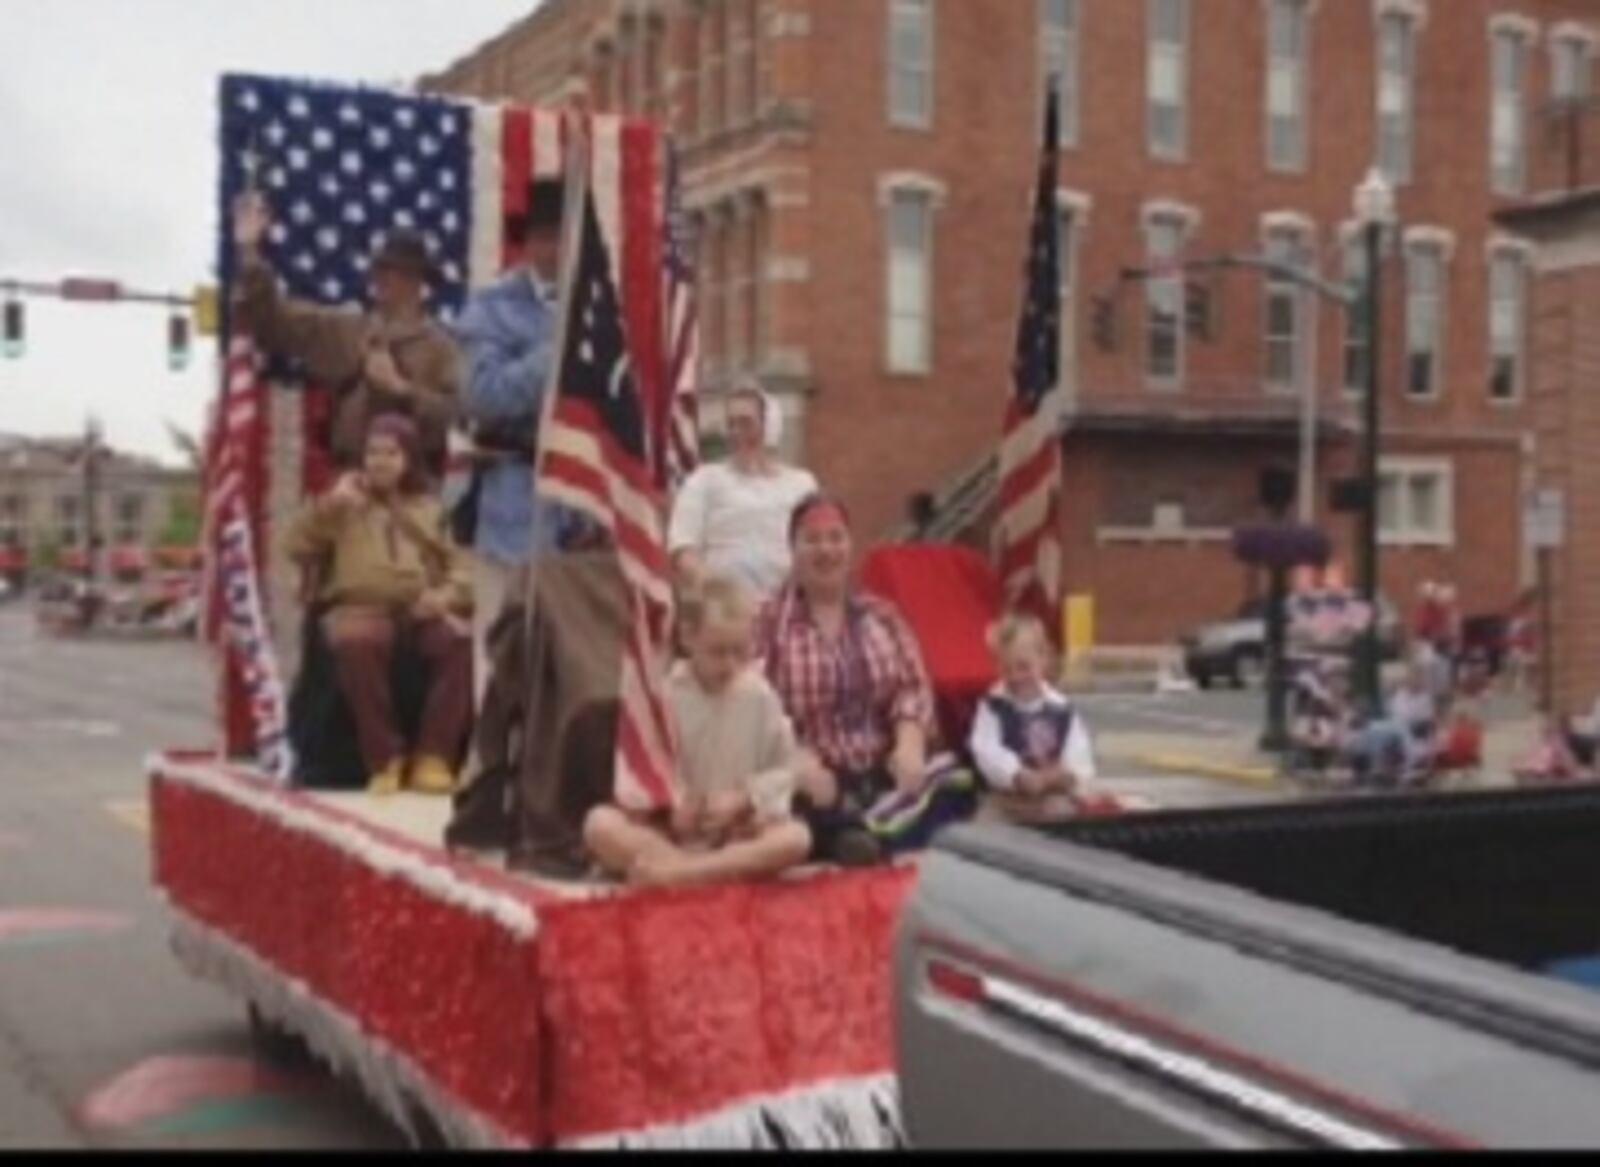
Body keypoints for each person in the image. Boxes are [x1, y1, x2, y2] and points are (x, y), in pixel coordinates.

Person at [757, 494, 973, 867]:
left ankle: (861, 834)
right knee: (791, 804)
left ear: (850, 546)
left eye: (835, 538)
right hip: (817, 777)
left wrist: (909, 744)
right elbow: (754, 704)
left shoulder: (882, 615)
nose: (826, 550)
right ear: (793, 550)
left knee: (958, 780)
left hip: (880, 771)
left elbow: (911, 686)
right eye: (812, 540)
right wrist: (792, 757)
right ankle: (873, 833)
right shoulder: (768, 624)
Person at [450, 178, 586, 711]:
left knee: (568, 650)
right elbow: (484, 396)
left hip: (580, 506)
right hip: (514, 495)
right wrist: (552, 347)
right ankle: (497, 772)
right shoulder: (492, 309)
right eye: (545, 236)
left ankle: (552, 771)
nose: (555, 248)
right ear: (528, 243)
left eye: (564, 237)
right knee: (504, 645)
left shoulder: (599, 307)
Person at [286, 414, 472, 797]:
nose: (380, 461)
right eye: (372, 452)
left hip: (419, 608)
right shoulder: (342, 502)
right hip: (359, 607)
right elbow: (295, 545)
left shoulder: (429, 508)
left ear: (408, 459)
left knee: (459, 643)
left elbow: (462, 567)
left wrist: (444, 597)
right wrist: (331, 506)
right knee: (357, 642)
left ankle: (433, 757)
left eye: (391, 453)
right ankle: (384, 756)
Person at [584, 576, 812, 887]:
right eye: (718, 652)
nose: (730, 664)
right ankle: (696, 870)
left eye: (739, 651)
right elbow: (639, 772)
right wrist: (670, 804)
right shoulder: (664, 695)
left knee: (796, 837)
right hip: (674, 832)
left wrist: (744, 798)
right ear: (688, 638)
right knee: (599, 824)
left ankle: (680, 875)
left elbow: (785, 769)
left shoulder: (760, 696)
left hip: (737, 833)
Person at [231, 192, 462, 475]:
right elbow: (272, 320)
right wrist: (250, 252)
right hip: (350, 484)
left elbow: (457, 420)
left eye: (392, 271)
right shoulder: (348, 329)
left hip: (411, 491)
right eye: (379, 270)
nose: (380, 278)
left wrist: (401, 390)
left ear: (415, 279)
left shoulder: (441, 348)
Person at [669, 382, 819, 601]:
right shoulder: (704, 480)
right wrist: (720, 592)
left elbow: (815, 542)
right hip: (724, 609)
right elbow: (683, 548)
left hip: (788, 604)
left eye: (746, 423)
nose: (736, 432)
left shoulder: (801, 484)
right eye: (731, 424)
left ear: (769, 426)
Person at [968, 614, 1099, 825]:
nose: (1015, 677)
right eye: (1006, 669)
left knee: (1067, 819)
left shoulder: (1061, 710)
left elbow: (1079, 760)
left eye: (1023, 667)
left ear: (1043, 660)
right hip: (1005, 800)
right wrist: (1016, 774)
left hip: (1051, 799)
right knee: (983, 827)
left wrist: (1060, 777)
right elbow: (985, 749)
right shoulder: (994, 706)